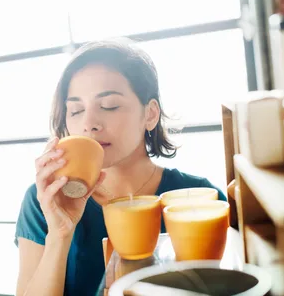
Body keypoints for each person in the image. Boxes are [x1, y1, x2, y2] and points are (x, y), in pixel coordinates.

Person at [14, 39, 227, 296]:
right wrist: (59, 234)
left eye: (109, 106)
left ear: (150, 114)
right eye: (76, 110)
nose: (89, 123)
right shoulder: (45, 201)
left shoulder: (199, 196)